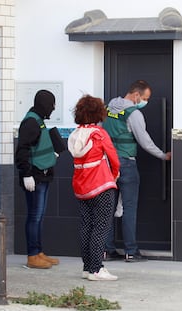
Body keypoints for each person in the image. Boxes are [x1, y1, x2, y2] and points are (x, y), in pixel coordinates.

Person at [102, 80, 171, 262]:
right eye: (145, 98)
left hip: (107, 164)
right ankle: (131, 251)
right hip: (126, 164)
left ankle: (107, 250)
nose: (145, 102)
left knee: (107, 207)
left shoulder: (107, 109)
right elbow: (145, 141)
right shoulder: (134, 113)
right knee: (129, 208)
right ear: (136, 95)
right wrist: (163, 156)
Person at [68, 95, 120, 281]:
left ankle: (87, 267)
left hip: (81, 187)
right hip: (101, 186)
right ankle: (97, 269)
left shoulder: (75, 135)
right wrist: (114, 174)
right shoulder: (99, 133)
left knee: (85, 227)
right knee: (100, 227)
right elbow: (113, 156)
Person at [15, 90, 60, 269]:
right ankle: (32, 255)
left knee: (39, 217)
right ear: (44, 104)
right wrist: (26, 174)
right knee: (34, 217)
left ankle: (39, 252)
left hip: (43, 175)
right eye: (51, 104)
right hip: (34, 177)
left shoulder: (38, 120)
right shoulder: (31, 122)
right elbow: (22, 150)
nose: (53, 108)